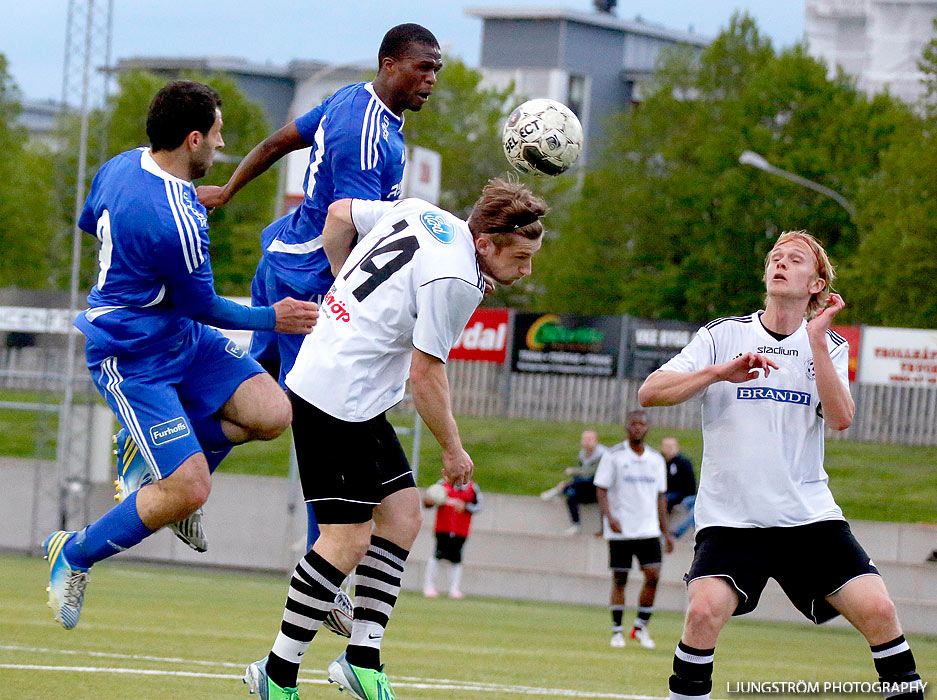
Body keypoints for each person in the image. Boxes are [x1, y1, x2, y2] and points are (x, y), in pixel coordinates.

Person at [243, 179, 547, 700]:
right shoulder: (458, 278)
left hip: (349, 391)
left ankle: (361, 659)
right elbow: (426, 376)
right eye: (520, 257)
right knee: (346, 540)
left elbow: (338, 215)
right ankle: (276, 672)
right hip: (333, 396)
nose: (527, 270)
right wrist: (453, 449)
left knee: (404, 514)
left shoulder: (426, 214)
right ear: (484, 243)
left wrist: (344, 288)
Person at [41, 81, 319, 631]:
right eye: (216, 135)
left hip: (177, 337)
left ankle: (159, 477)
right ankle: (74, 552)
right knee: (190, 485)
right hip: (132, 355)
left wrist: (187, 199)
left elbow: (96, 220)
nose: (220, 146)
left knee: (272, 412)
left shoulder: (121, 166)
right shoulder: (179, 224)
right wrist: (275, 316)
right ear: (193, 139)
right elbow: (205, 305)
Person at [639, 231, 925, 700]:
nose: (781, 263)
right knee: (703, 613)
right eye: (776, 257)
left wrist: (814, 338)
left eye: (795, 259)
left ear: (816, 284)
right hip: (732, 520)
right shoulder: (722, 334)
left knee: (878, 610)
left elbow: (841, 419)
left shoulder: (827, 344)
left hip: (807, 518)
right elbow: (650, 393)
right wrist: (717, 372)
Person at [197, 24, 442, 549]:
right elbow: (346, 231)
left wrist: (228, 190)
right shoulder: (367, 138)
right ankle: (323, 561)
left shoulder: (349, 100)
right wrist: (366, 304)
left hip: (281, 259)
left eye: (435, 71)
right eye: (423, 68)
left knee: (250, 393)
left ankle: (177, 474)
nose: (431, 80)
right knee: (325, 414)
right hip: (313, 284)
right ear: (390, 63)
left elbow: (280, 140)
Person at [594, 410, 674, 650]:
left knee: (654, 575)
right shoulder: (614, 455)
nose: (638, 428)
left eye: (642, 424)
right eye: (633, 424)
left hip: (648, 530)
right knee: (620, 579)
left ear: (648, 428)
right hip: (622, 529)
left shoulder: (656, 459)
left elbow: (661, 498)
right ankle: (617, 630)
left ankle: (640, 627)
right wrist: (609, 517)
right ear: (627, 427)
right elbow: (601, 489)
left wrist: (666, 531)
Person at [422, 479, 483, 599]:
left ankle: (454, 589)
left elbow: (479, 506)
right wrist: (431, 500)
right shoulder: (442, 485)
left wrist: (465, 506)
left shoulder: (472, 488)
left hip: (461, 530)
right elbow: (428, 502)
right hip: (442, 528)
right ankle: (429, 586)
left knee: (456, 558)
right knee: (437, 555)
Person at [540, 429, 607, 535]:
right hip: (583, 488)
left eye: (590, 439)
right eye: (584, 439)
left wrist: (574, 471)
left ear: (596, 440)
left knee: (585, 481)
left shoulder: (603, 455)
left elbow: (593, 473)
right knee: (572, 493)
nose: (587, 441)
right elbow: (580, 477)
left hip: (597, 489)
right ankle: (576, 524)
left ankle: (559, 490)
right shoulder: (582, 455)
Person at [660, 437, 697, 539]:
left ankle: (676, 533)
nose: (669, 449)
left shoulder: (683, 462)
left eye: (672, 447)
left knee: (694, 511)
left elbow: (689, 485)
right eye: (667, 447)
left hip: (684, 495)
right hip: (668, 493)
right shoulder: (661, 462)